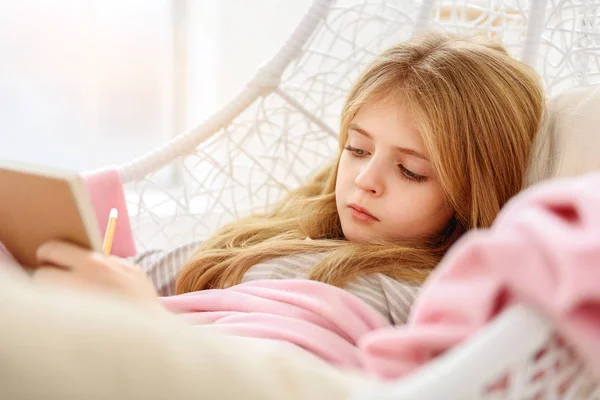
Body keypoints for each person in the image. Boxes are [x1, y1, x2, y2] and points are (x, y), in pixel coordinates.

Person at [30, 31, 544, 323]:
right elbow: (146, 271)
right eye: (356, 148)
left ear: (470, 195)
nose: (366, 179)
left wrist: (146, 323)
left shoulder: (407, 294)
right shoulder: (282, 237)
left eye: (411, 171)